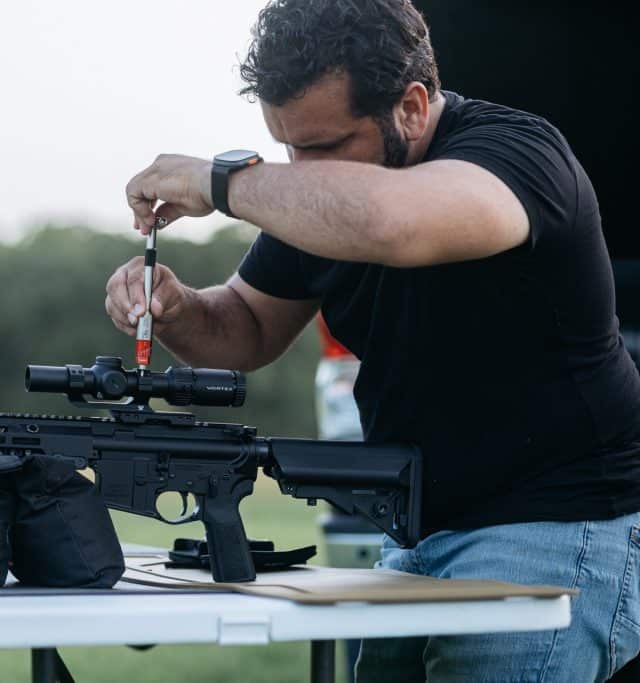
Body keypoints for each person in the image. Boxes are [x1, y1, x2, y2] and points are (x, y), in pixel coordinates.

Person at [103, 1, 640, 680]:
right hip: (415, 531)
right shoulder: (323, 205)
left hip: (552, 526)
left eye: (324, 146)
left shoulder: (519, 152)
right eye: (289, 145)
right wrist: (176, 308)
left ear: (412, 108)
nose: (302, 167)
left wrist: (222, 181)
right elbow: (246, 326)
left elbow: (394, 224)